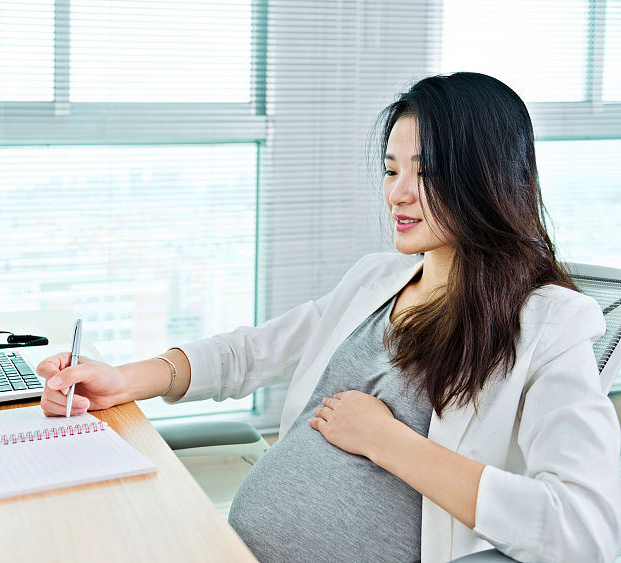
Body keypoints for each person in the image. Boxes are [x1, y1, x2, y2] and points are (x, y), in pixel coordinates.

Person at [36, 72, 621, 562]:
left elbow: (585, 527)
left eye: (427, 172)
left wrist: (389, 442)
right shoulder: (378, 277)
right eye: (391, 171)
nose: (397, 194)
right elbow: (251, 352)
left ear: (489, 178)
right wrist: (124, 379)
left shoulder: (551, 323)